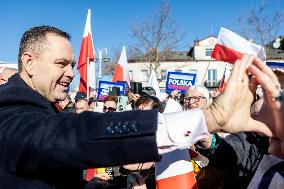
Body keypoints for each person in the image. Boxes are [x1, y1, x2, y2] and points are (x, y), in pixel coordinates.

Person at [0, 25, 272, 189]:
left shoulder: (43, 107)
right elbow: (65, 136)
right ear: (29, 62)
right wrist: (210, 117)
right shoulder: (10, 107)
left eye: (72, 65)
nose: (72, 73)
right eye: (61, 64)